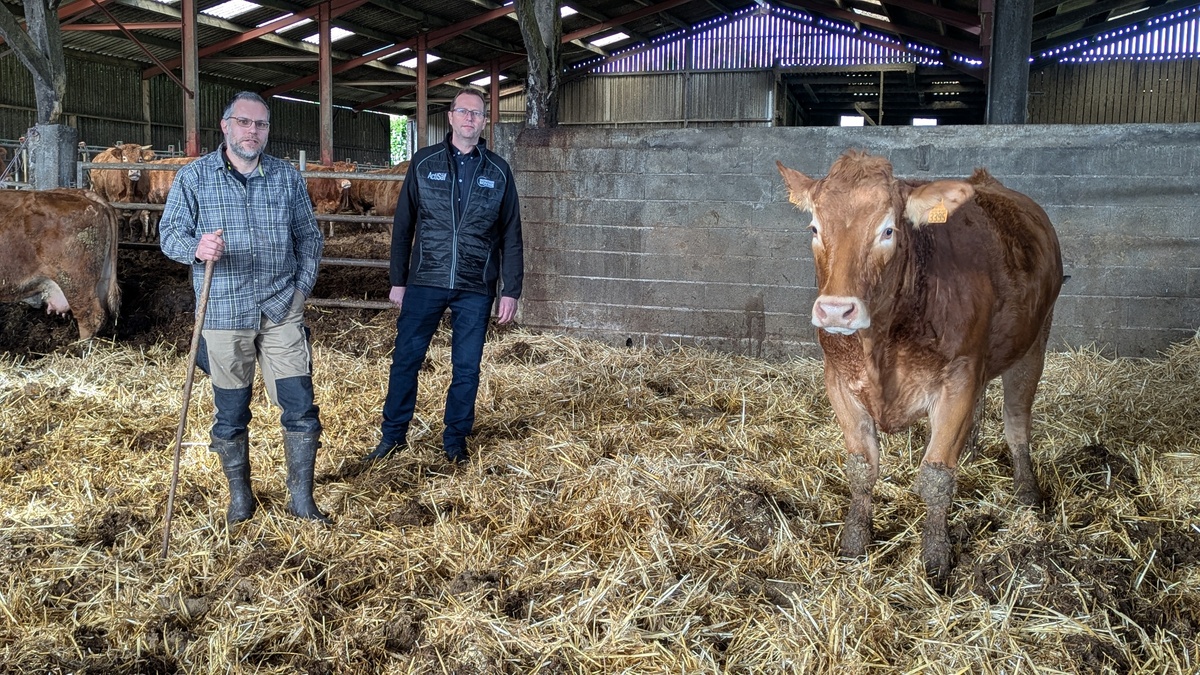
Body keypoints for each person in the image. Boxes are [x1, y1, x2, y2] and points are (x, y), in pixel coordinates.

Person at [160, 91, 329, 524]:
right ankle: (241, 499)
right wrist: (196, 248)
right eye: (244, 123)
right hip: (222, 312)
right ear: (225, 126)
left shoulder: (286, 177)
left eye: (260, 125)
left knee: (300, 404)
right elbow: (169, 236)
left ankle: (302, 500)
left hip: (280, 309)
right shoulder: (194, 178)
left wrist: (300, 290)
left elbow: (309, 238)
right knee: (231, 411)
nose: (252, 131)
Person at [364, 87, 523, 465]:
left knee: (466, 367)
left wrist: (510, 289)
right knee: (406, 358)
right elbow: (403, 226)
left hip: (475, 284)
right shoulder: (423, 162)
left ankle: (455, 441)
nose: (470, 119)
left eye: (478, 114)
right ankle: (392, 437)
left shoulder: (498, 170)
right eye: (463, 112)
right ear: (450, 117)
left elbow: (512, 234)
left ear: (485, 122)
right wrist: (397, 280)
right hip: (425, 280)